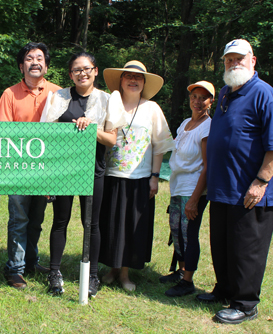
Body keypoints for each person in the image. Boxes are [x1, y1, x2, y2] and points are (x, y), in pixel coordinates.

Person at [198, 39, 273, 324]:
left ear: (253, 60)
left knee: (246, 249)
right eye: (228, 59)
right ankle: (225, 289)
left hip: (251, 191)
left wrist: (260, 181)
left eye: (239, 58)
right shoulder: (225, 93)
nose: (233, 63)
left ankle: (246, 303)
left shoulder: (265, 94)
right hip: (223, 188)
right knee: (223, 245)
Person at [40, 52, 124, 298]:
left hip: (93, 170)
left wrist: (91, 128)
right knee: (60, 221)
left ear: (95, 71)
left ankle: (93, 274)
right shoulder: (58, 97)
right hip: (63, 170)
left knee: (91, 223)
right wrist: (48, 176)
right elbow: (48, 136)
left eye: (87, 68)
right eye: (76, 70)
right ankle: (54, 272)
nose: (82, 73)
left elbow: (111, 139)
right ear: (70, 75)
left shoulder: (107, 100)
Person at [99, 60, 174, 292]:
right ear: (120, 80)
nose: (133, 80)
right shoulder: (110, 104)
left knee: (132, 226)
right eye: (128, 76)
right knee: (111, 224)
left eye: (138, 77)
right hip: (112, 175)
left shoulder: (152, 109)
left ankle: (125, 273)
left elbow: (160, 146)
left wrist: (154, 176)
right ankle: (112, 267)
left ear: (144, 83)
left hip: (140, 178)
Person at [0, 42, 61, 289]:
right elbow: (0, 132)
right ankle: (15, 269)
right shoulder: (10, 94)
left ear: (46, 64)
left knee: (36, 219)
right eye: (30, 58)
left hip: (46, 170)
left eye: (40, 58)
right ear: (21, 65)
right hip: (18, 169)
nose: (35, 62)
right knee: (19, 219)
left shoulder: (59, 93)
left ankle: (31, 262)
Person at [159, 81, 214, 297]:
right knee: (177, 230)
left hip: (193, 188)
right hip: (177, 185)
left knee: (189, 234)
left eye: (203, 98)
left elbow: (207, 165)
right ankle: (180, 271)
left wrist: (194, 199)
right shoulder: (184, 123)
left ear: (211, 101)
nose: (198, 101)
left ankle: (188, 280)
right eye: (194, 97)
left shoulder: (208, 127)